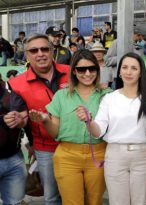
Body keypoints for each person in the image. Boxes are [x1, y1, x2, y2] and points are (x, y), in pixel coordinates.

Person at [28, 49, 110, 205]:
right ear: (73, 71)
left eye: (92, 68)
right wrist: (45, 120)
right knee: (71, 202)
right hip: (67, 155)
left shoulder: (107, 95)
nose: (87, 73)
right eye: (81, 69)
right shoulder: (62, 95)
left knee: (95, 201)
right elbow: (55, 133)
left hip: (99, 154)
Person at [75, 52, 146, 205]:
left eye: (134, 68)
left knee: (141, 202)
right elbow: (98, 129)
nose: (128, 72)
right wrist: (89, 121)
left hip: (143, 156)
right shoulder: (109, 98)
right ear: (119, 71)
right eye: (124, 67)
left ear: (141, 73)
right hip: (115, 156)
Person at [4, 33, 70, 205]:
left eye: (44, 49)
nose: (40, 53)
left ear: (52, 51)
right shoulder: (17, 83)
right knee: (52, 197)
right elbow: (22, 116)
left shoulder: (72, 72)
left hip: (76, 145)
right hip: (45, 148)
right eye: (34, 50)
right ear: (27, 55)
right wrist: (19, 120)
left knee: (77, 193)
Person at [0, 78, 27, 205]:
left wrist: (20, 121)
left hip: (14, 159)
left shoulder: (12, 95)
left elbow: (25, 120)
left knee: (14, 203)